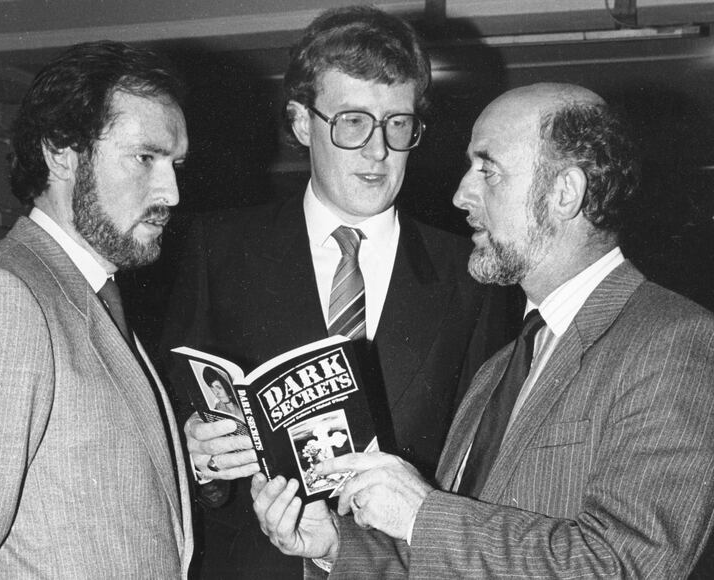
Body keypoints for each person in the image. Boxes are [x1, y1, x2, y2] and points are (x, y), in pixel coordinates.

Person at [252, 82, 714, 578]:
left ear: (565, 193)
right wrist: (335, 546)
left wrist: (422, 513)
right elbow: (448, 557)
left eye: (487, 170)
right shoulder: (501, 367)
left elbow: (629, 565)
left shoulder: (671, 341)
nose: (461, 194)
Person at [160, 5, 517, 579]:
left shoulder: (470, 273)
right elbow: (171, 423)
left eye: (398, 124)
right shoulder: (217, 250)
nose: (378, 150)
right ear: (303, 123)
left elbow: (485, 469)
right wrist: (197, 456)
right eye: (352, 121)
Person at [0, 41, 194, 577]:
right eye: (146, 158)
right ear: (62, 151)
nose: (172, 191)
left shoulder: (93, 295)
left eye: (175, 163)